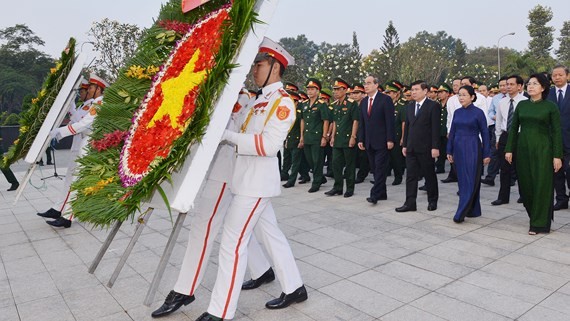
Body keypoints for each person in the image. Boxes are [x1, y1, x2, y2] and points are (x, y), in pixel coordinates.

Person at [192, 37, 306, 321]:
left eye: (260, 64)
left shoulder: (282, 103)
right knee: (270, 234)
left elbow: (267, 146)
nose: (254, 69)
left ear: (275, 68)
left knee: (232, 242)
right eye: (255, 63)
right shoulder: (258, 99)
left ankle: (220, 312)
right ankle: (295, 288)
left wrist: (226, 136)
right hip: (245, 180)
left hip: (256, 184)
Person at [151, 89, 278, 318]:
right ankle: (264, 271)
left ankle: (184, 289)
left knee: (205, 228)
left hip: (227, 168)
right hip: (228, 170)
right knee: (250, 231)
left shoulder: (244, 97)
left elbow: (235, 132)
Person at [36, 74, 108, 228]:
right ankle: (60, 209)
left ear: (98, 89)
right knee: (71, 180)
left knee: (76, 182)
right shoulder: (96, 103)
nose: (88, 90)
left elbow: (83, 124)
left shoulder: (99, 103)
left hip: (89, 143)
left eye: (91, 87)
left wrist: (60, 131)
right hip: (84, 141)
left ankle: (68, 217)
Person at [505, 73, 563, 235]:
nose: (530, 86)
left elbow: (557, 132)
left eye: (535, 84)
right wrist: (509, 149)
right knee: (526, 186)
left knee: (542, 186)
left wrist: (557, 155)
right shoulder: (522, 106)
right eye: (529, 84)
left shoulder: (550, 107)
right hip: (523, 149)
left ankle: (539, 224)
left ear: (543, 88)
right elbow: (513, 128)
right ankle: (536, 215)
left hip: (543, 150)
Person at [447, 85, 490, 223]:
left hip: (472, 147)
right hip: (458, 148)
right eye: (459, 95)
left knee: (470, 179)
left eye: (464, 95)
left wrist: (486, 153)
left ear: (472, 97)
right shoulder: (457, 112)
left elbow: (485, 133)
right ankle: (473, 209)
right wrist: (449, 150)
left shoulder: (478, 113)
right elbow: (452, 132)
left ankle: (461, 211)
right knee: (462, 179)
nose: (461, 98)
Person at [396, 80, 440, 212]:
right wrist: (405, 145)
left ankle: (432, 201)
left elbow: (435, 129)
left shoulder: (433, 106)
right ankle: (410, 203)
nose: (413, 92)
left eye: (416, 90)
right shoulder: (409, 106)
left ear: (425, 91)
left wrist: (435, 147)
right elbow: (408, 127)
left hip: (427, 147)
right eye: (412, 90)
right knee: (411, 176)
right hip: (411, 147)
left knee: (429, 174)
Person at [357, 75, 395, 204]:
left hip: (382, 141)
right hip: (368, 141)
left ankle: (375, 195)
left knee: (379, 168)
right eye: (365, 83)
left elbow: (390, 121)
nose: (365, 86)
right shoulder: (363, 102)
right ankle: (382, 193)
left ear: (376, 85)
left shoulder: (385, 100)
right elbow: (362, 122)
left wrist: (390, 139)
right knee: (375, 169)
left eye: (368, 83)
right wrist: (360, 139)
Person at [491, 75, 526, 206]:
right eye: (507, 84)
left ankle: (524, 195)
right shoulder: (502, 102)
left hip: (520, 136)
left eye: (511, 84)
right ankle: (503, 197)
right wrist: (498, 137)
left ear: (520, 86)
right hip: (506, 136)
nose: (508, 87)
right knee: (504, 168)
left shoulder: (525, 101)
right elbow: (499, 121)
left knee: (521, 167)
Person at [325, 78, 359, 198]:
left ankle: (349, 188)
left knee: (349, 165)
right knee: (336, 164)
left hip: (348, 138)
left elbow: (355, 121)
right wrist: (332, 136)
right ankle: (337, 187)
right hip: (338, 139)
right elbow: (334, 122)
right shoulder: (335, 105)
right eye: (334, 90)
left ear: (345, 90)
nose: (335, 92)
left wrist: (353, 137)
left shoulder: (352, 104)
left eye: (338, 89)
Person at [299, 78, 330, 193]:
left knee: (317, 161)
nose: (310, 91)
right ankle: (321, 177)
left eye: (312, 89)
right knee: (310, 160)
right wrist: (301, 136)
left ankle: (316, 183)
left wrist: (324, 137)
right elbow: (302, 120)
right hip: (307, 136)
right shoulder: (304, 104)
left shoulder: (321, 104)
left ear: (318, 91)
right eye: (308, 89)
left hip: (317, 137)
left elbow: (326, 121)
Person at [549, 65, 570, 210]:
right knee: (556, 172)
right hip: (553, 141)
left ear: (567, 76)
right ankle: (561, 199)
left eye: (560, 75)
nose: (557, 77)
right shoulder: (547, 94)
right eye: (554, 75)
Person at [482, 76, 508, 186]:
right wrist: (494, 117)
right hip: (497, 128)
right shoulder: (496, 98)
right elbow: (490, 111)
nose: (503, 87)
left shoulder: (519, 98)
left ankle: (511, 178)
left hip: (511, 129)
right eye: (500, 85)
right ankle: (490, 177)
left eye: (505, 85)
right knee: (494, 152)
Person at [282, 90, 310, 188]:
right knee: (298, 161)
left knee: (295, 162)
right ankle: (306, 175)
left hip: (297, 139)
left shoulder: (299, 112)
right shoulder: (287, 112)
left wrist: (302, 139)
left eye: (293, 101)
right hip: (289, 139)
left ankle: (291, 181)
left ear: (297, 102)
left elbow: (302, 126)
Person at [383, 81, 405, 185]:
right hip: (386, 135)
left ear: (396, 94)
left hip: (397, 135)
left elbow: (403, 123)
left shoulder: (401, 106)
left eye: (390, 93)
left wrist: (403, 138)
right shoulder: (385, 104)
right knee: (384, 158)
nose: (387, 95)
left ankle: (398, 176)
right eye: (386, 93)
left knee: (396, 158)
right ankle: (382, 177)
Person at [441, 78, 461, 183]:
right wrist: (449, 130)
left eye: (457, 85)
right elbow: (449, 117)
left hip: (463, 130)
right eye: (453, 85)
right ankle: (453, 174)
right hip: (453, 129)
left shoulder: (467, 98)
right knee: (452, 153)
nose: (455, 87)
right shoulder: (451, 100)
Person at [351, 83, 370, 183]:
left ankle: (362, 174)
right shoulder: (352, 105)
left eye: (357, 93)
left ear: (363, 94)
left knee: (363, 156)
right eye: (353, 93)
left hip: (365, 134)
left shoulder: (367, 104)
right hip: (354, 133)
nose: (354, 95)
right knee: (355, 155)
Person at [435, 83, 451, 174]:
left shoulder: (450, 103)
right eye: (438, 92)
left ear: (447, 93)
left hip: (447, 131)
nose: (439, 94)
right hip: (439, 131)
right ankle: (440, 167)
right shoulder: (437, 104)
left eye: (442, 92)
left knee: (447, 149)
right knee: (440, 149)